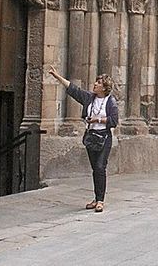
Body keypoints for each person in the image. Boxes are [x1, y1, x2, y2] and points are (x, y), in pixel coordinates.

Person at [48, 66, 119, 213]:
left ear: (104, 88)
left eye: (98, 83)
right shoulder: (89, 98)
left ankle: (100, 200)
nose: (95, 84)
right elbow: (73, 89)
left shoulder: (110, 102)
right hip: (91, 137)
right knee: (95, 169)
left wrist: (97, 119)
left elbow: (113, 121)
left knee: (100, 167)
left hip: (104, 138)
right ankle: (96, 197)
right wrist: (57, 76)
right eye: (96, 82)